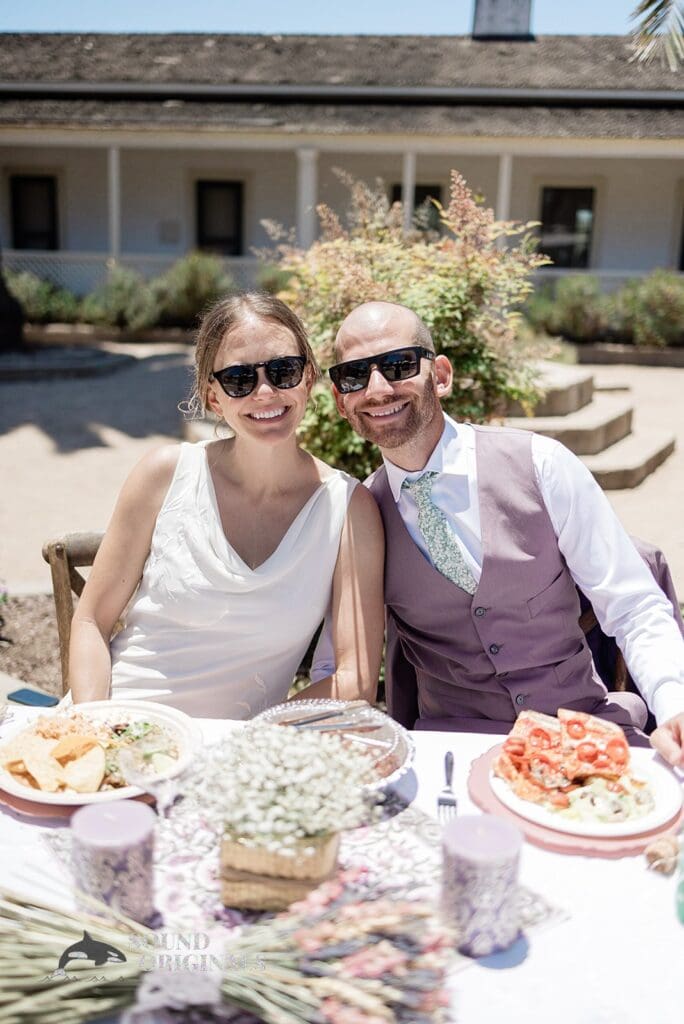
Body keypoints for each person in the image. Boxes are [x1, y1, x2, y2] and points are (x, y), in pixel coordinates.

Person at [327, 300, 684, 766]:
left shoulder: (542, 465)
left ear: (440, 375)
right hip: (453, 749)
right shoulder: (361, 516)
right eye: (354, 375)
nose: (377, 388)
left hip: (578, 733)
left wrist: (674, 703)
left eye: (397, 365)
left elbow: (633, 605)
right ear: (340, 401)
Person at [69, 293, 384, 717]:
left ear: (308, 378)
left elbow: (355, 679)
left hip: (246, 756)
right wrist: (93, 726)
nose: (265, 392)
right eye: (239, 379)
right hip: (115, 720)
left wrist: (256, 744)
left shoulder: (348, 510)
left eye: (283, 370)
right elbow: (90, 621)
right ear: (213, 397)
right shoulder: (164, 474)